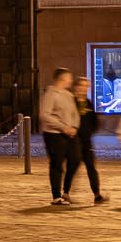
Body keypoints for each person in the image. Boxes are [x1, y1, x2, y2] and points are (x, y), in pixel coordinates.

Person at [38, 68, 80, 205]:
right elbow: (45, 115)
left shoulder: (68, 95)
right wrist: (63, 127)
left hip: (69, 134)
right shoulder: (50, 94)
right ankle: (56, 195)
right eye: (69, 77)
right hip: (54, 134)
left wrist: (74, 127)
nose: (71, 80)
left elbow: (75, 113)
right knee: (57, 163)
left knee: (75, 159)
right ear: (62, 78)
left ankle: (66, 191)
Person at [67, 78, 107, 205]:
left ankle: (97, 194)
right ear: (76, 87)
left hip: (86, 141)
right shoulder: (71, 102)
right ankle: (65, 192)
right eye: (82, 86)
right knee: (72, 166)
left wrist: (90, 131)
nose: (84, 89)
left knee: (91, 167)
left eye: (86, 86)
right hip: (74, 140)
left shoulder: (88, 103)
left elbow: (94, 120)